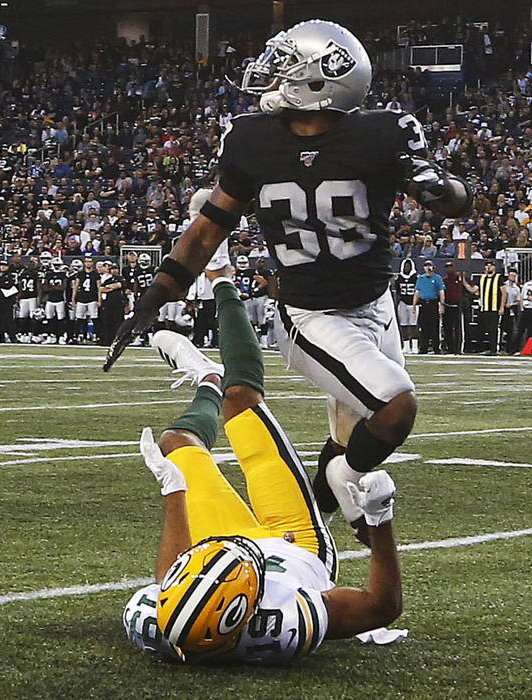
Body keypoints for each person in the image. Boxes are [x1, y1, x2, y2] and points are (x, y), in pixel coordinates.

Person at [105, 20, 471, 541]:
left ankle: (307, 525)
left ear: (322, 79)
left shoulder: (382, 133)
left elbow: (454, 199)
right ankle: (344, 481)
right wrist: (157, 294)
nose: (272, 73)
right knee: (394, 407)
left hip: (376, 303)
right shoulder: (252, 140)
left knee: (354, 434)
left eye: (286, 64)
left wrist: (446, 190)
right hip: (310, 315)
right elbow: (209, 227)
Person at [123, 265, 401, 663]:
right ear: (249, 605)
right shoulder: (284, 624)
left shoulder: (150, 618)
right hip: (296, 543)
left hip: (222, 545)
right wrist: (380, 518)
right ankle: (221, 277)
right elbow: (382, 608)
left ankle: (206, 379)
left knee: (175, 442)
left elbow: (170, 576)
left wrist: (173, 489)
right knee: (240, 399)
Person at [413, 260, 444, 354]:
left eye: (430, 266)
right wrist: (414, 304)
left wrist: (442, 304)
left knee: (434, 327)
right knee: (423, 327)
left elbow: (441, 292)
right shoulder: (420, 278)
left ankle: (436, 348)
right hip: (423, 304)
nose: (428, 268)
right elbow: (417, 292)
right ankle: (423, 348)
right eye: (426, 266)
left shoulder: (437, 278)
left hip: (433, 303)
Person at [72, 256, 100, 343]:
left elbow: (99, 287)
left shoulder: (95, 274)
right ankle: (81, 335)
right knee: (80, 318)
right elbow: (76, 287)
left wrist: (99, 300)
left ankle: (95, 334)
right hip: (81, 298)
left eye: (90, 261)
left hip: (92, 298)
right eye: (87, 261)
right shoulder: (80, 274)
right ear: (84, 263)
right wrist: (73, 298)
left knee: (94, 317)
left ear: (93, 263)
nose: (88, 263)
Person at [394, 258, 418, 354]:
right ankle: (406, 346)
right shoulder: (399, 278)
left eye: (408, 266)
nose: (407, 268)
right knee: (403, 325)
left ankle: (415, 346)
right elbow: (397, 291)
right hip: (403, 302)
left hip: (413, 303)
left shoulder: (416, 277)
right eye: (405, 266)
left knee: (413, 324)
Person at [441, 261, 464, 354]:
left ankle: (458, 349)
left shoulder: (460, 279)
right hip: (447, 305)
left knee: (458, 328)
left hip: (458, 306)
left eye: (451, 267)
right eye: (447, 267)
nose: (449, 269)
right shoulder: (444, 280)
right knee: (447, 328)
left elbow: (472, 288)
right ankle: (449, 348)